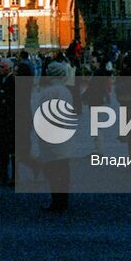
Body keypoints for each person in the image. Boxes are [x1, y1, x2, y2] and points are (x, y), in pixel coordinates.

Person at [35, 60, 73, 214]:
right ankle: (63, 200)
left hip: (50, 135)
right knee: (63, 169)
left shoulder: (47, 91)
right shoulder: (65, 90)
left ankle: (56, 201)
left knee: (52, 169)